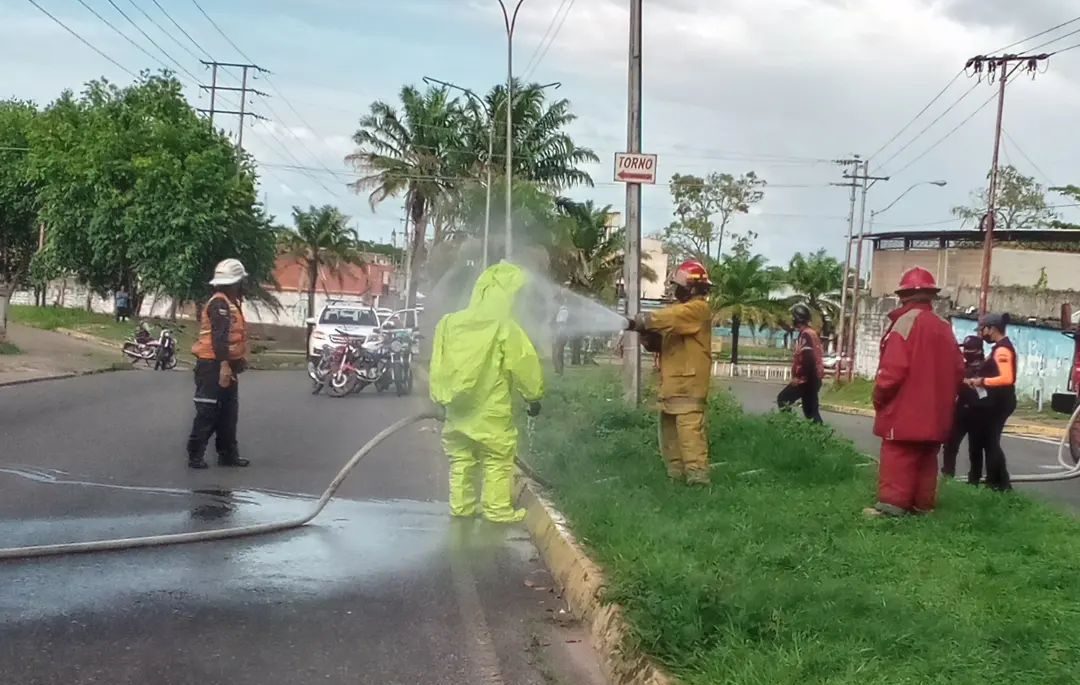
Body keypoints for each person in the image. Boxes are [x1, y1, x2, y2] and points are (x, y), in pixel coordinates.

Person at [429, 262, 544, 523]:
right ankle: (496, 509)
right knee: (497, 458)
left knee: (461, 458)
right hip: (491, 409)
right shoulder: (505, 326)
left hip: (456, 408)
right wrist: (533, 396)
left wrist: (439, 396)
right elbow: (524, 363)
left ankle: (462, 507)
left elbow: (437, 363)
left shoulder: (449, 323)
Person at [866, 267, 964, 517]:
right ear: (931, 295)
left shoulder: (904, 323)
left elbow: (892, 372)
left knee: (898, 456)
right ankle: (922, 505)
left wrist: (879, 397)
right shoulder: (944, 327)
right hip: (936, 412)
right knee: (926, 459)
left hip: (904, 410)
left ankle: (892, 506)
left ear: (903, 295)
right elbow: (958, 370)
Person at [626, 260, 714, 485]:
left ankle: (698, 481)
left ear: (692, 287)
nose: (675, 289)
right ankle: (676, 480)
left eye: (678, 284)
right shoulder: (682, 316)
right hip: (673, 387)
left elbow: (670, 317)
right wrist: (648, 335)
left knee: (690, 436)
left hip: (688, 386)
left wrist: (644, 320)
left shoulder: (698, 309)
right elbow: (664, 341)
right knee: (670, 438)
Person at [186, 258, 250, 470]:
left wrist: (238, 361)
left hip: (226, 365)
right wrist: (224, 366)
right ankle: (195, 455)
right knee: (208, 411)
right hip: (212, 365)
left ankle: (228, 454)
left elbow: (233, 337)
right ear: (234, 283)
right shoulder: (219, 304)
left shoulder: (231, 304)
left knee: (228, 413)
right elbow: (219, 338)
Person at [966, 312, 1016, 492]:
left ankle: (1000, 483)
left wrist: (982, 382)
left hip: (1000, 402)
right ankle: (996, 482)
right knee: (990, 442)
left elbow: (1007, 378)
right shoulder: (998, 348)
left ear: (992, 328)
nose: (982, 334)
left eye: (983, 329)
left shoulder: (1002, 350)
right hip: (996, 402)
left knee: (991, 443)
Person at [941, 336, 985, 480]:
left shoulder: (984, 369)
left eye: (969, 349)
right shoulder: (964, 367)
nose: (965, 351)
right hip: (960, 411)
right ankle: (947, 476)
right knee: (950, 445)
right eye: (964, 348)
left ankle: (974, 480)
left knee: (975, 449)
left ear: (978, 350)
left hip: (977, 412)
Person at [776, 303, 825, 423]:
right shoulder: (811, 333)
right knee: (811, 412)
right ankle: (819, 435)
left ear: (797, 319)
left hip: (807, 380)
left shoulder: (806, 335)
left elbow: (808, 359)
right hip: (813, 379)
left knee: (783, 399)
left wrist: (800, 378)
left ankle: (789, 427)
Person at [552, 295, 569, 375]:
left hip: (561, 334)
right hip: (559, 334)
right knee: (556, 352)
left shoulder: (563, 311)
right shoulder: (560, 311)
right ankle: (557, 371)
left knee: (558, 353)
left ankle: (560, 371)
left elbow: (561, 324)